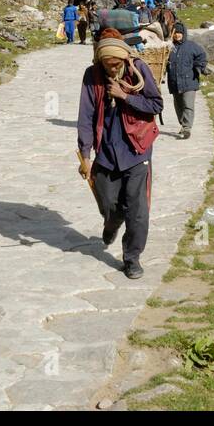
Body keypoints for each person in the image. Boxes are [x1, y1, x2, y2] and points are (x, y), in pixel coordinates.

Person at [76, 30, 162, 279]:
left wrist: (125, 96)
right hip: (106, 152)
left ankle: (132, 258)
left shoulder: (138, 70)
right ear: (99, 60)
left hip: (137, 149)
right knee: (110, 204)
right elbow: (85, 116)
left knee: (137, 210)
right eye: (107, 64)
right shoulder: (92, 76)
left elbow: (156, 105)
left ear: (124, 58)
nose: (112, 69)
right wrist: (85, 155)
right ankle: (112, 224)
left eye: (116, 64)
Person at [165, 21, 208, 140]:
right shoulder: (169, 47)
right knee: (178, 106)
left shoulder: (192, 46)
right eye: (175, 33)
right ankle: (183, 124)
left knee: (188, 105)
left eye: (179, 32)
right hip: (174, 82)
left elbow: (201, 57)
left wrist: (199, 67)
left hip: (189, 81)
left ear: (183, 33)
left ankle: (187, 128)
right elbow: (163, 61)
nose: (177, 35)